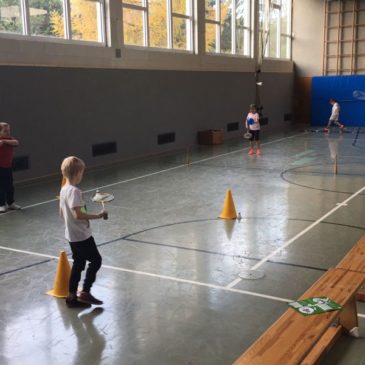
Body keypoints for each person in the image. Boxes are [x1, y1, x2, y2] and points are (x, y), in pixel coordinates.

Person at [60, 156, 107, 308]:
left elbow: (62, 212)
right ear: (78, 172)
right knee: (96, 260)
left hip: (72, 235)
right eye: (82, 172)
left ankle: (71, 297)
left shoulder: (64, 190)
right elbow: (78, 215)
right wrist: (98, 216)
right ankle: (85, 291)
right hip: (82, 236)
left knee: (79, 263)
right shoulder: (75, 191)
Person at [0, 122, 21, 213]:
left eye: (9, 130)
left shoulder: (9, 139)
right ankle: (1, 205)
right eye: (5, 131)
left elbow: (16, 143)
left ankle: (11, 203)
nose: (8, 133)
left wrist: (4, 141)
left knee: (9, 186)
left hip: (8, 167)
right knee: (1, 187)